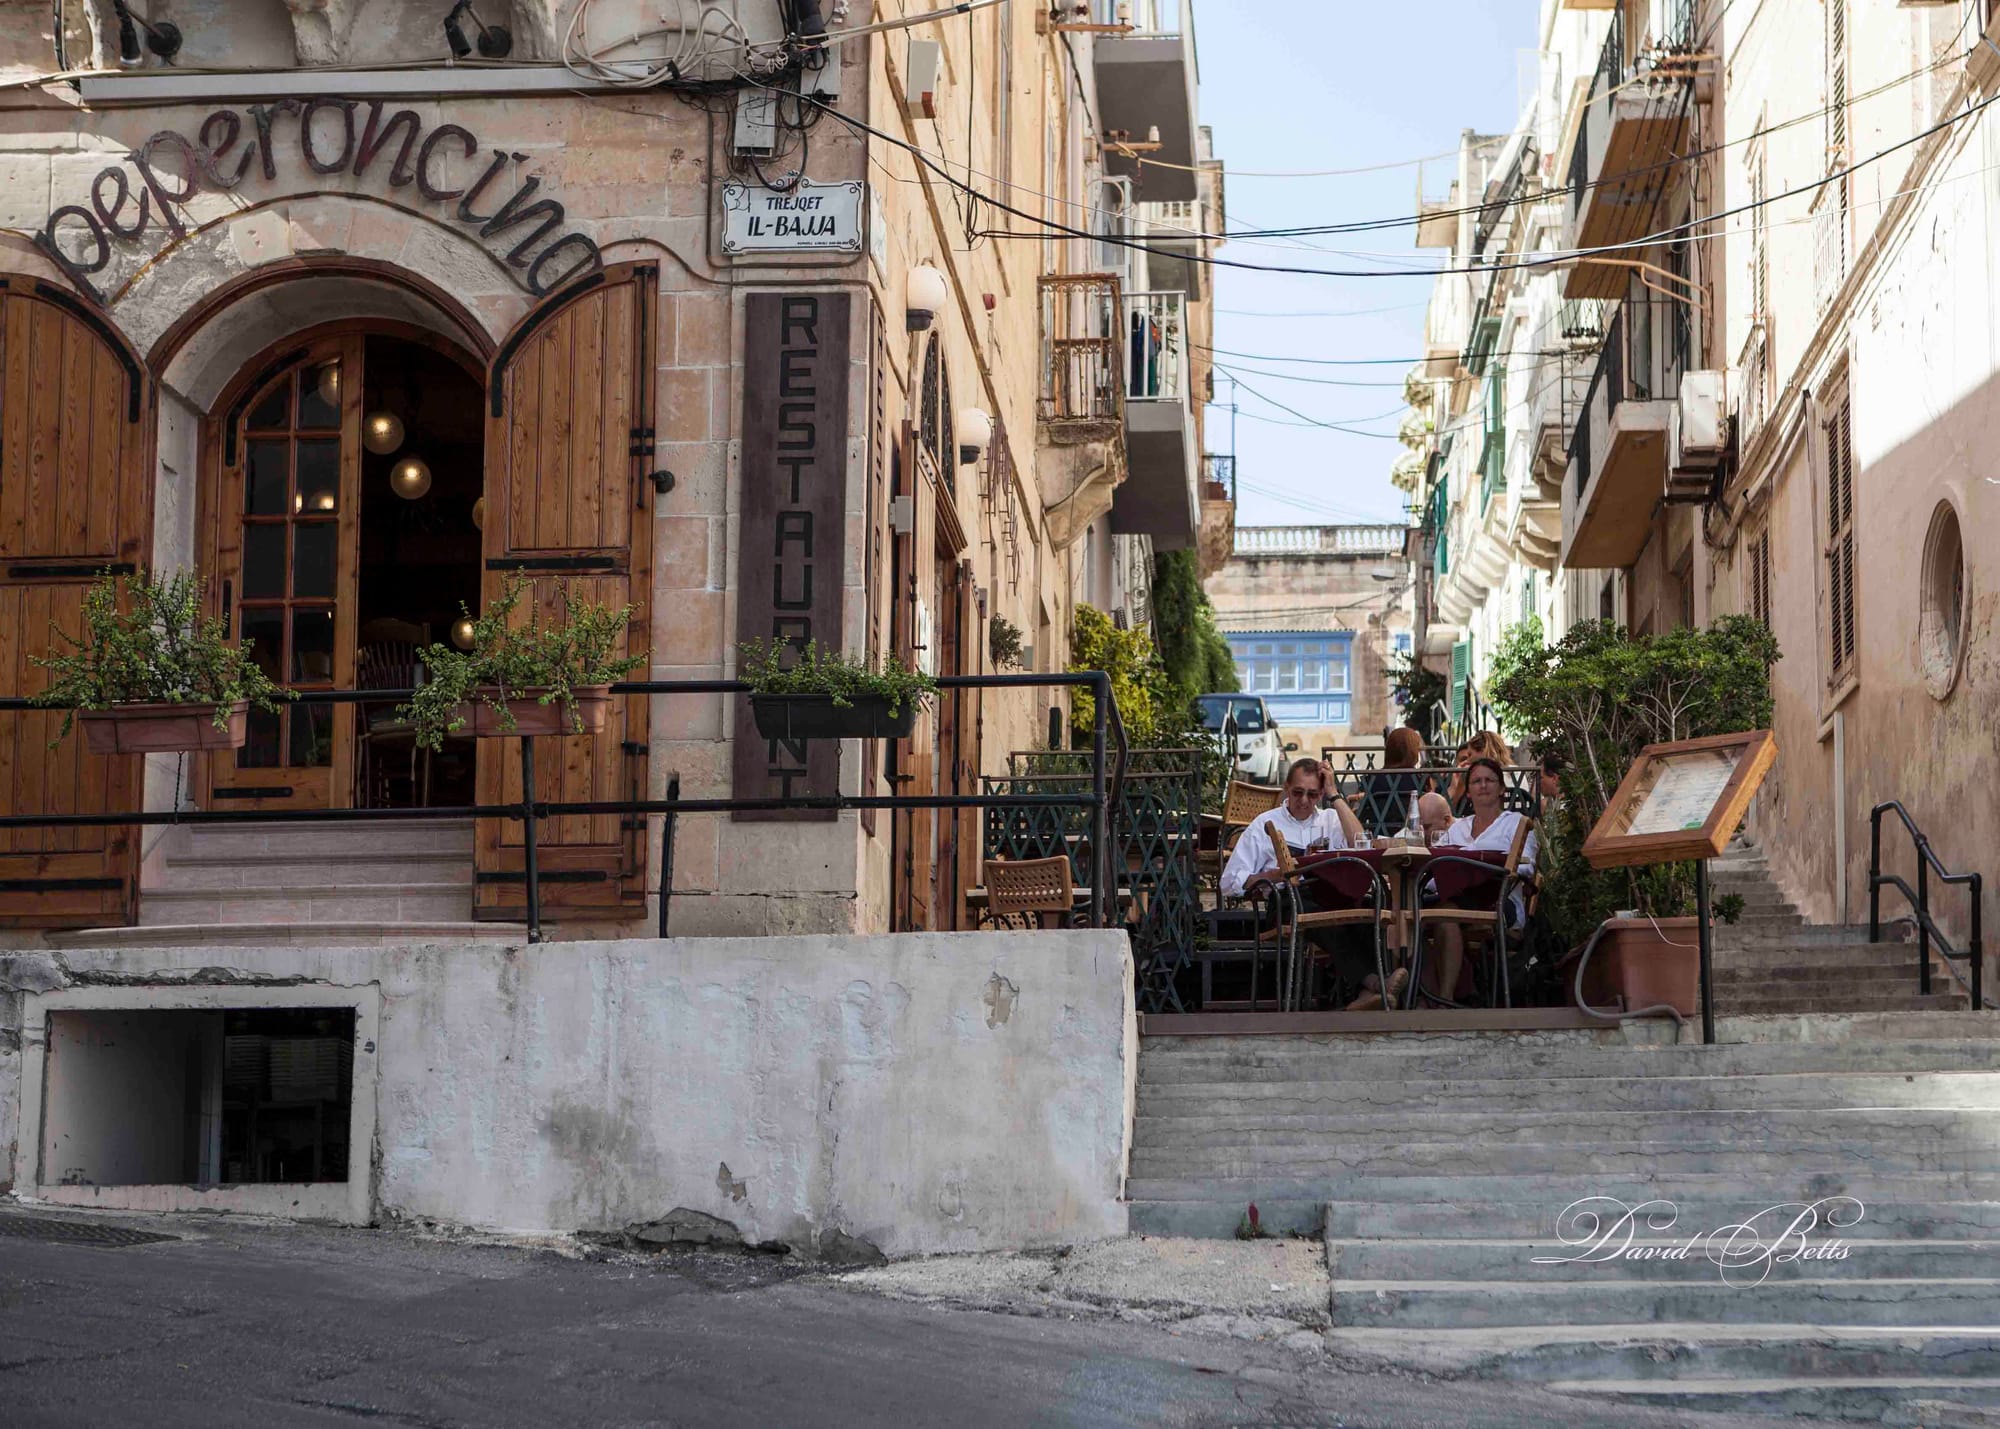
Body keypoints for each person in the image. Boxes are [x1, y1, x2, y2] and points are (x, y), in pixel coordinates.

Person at [1219, 759, 1401, 1009]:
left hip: (1329, 895)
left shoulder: (1329, 819)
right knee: (1317, 914)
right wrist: (1274, 875)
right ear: (1286, 788)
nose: (1304, 800)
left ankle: (1366, 992)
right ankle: (1375, 982)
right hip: (1285, 900)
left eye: (1312, 794)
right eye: (1298, 792)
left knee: (1364, 908)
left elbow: (1361, 843)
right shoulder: (1264, 823)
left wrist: (1335, 795)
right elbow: (1229, 882)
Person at [1423, 757, 1540, 1005]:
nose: (1483, 785)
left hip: (1499, 902)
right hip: (1456, 901)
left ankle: (1441, 999)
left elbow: (1528, 866)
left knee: (1444, 913)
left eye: (1489, 780)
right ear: (1468, 792)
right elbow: (1434, 871)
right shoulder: (1457, 828)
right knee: (1419, 916)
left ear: (1501, 789)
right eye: (1476, 781)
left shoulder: (1516, 824)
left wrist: (1485, 865)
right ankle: (1435, 997)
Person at [1358, 725, 1425, 837]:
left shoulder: (1372, 779)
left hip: (1379, 835)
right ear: (1413, 752)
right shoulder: (1420, 779)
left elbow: (1364, 810)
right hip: (1414, 835)